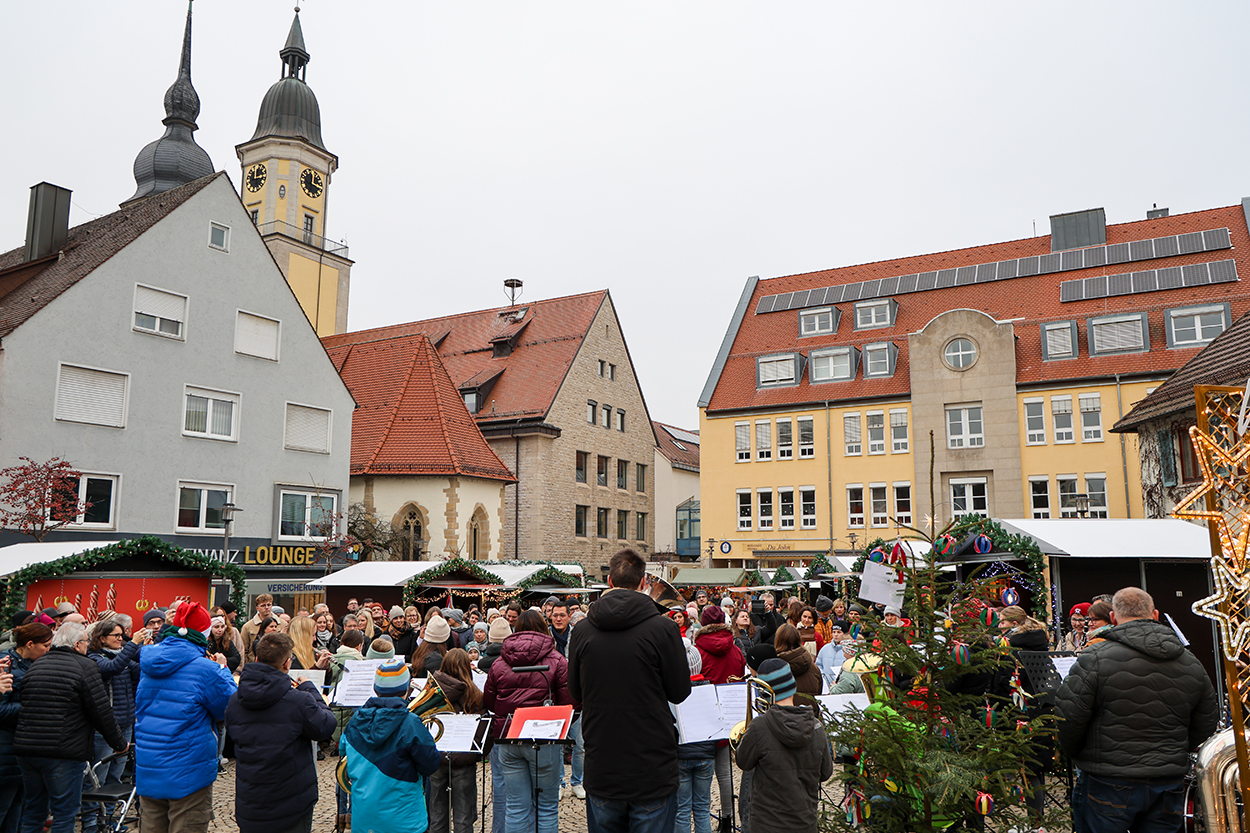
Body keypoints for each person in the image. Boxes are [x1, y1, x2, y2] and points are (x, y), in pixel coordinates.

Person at [1058, 587, 1217, 833]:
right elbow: (1206, 719)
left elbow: (1069, 717)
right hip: (1166, 777)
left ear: (1113, 618)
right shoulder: (1189, 662)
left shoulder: (1095, 658)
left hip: (1107, 778)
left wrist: (1084, 755)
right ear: (1154, 615)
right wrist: (1172, 749)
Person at [568, 548, 692, 833]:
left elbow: (575, 692)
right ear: (642, 582)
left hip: (603, 762)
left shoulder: (583, 631)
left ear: (609, 581)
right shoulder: (664, 629)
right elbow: (679, 691)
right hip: (651, 765)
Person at [14, 622, 127, 833]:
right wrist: (120, 744)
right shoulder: (85, 666)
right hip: (63, 751)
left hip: (27, 749)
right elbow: (101, 711)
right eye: (85, 641)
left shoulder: (36, 664)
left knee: (33, 811)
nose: (87, 645)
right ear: (77, 645)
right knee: (64, 812)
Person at [134, 602, 236, 833]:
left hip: (151, 762)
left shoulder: (149, 663)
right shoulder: (206, 669)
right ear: (203, 634)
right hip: (189, 765)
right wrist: (223, 670)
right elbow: (228, 707)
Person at [226, 632, 337, 833]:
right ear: (287, 664)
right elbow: (326, 726)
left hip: (251, 798)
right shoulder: (298, 701)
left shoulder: (235, 700)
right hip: (291, 802)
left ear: (257, 659)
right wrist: (312, 691)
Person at [483, 610, 572, 833]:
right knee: (547, 807)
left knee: (515, 807)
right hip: (544, 738)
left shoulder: (499, 663)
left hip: (509, 737)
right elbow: (569, 703)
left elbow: (490, 702)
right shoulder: (557, 660)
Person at [342, 657, 441, 833]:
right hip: (405, 821)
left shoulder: (355, 721)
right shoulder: (411, 723)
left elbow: (343, 756)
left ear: (375, 689)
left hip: (364, 820)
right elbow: (430, 764)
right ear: (406, 689)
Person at [734, 659, 833, 833]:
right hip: (805, 823)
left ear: (763, 691)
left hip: (766, 824)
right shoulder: (817, 727)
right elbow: (825, 773)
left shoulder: (759, 727)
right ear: (793, 686)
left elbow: (743, 762)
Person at [82, 619, 148, 833]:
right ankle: (91, 824)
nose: (121, 639)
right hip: (104, 726)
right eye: (116, 636)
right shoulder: (94, 658)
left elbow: (140, 672)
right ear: (102, 638)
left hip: (126, 723)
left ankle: (109, 819)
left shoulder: (123, 655)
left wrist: (143, 650)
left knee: (115, 776)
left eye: (122, 635)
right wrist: (132, 646)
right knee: (97, 777)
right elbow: (111, 668)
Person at [693, 606, 743, 833]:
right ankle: (727, 819)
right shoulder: (736, 650)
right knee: (724, 773)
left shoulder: (698, 651)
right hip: (728, 717)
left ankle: (699, 817)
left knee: (700, 772)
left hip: (703, 718)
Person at [0, 623, 52, 832]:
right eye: (45, 646)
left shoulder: (31, 664)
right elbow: (1, 711)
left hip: (24, 748)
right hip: (6, 749)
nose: (48, 650)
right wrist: (34, 707)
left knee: (17, 809)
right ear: (30, 644)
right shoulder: (6, 665)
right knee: (5, 807)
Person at [426, 649, 484, 833]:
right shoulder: (475, 694)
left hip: (436, 758)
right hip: (463, 759)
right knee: (464, 818)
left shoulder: (431, 691)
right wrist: (475, 756)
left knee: (436, 816)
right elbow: (483, 731)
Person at [675, 640, 716, 833]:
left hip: (681, 753)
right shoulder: (710, 689)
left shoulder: (672, 692)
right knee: (702, 808)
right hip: (706, 753)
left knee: (682, 810)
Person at [773, 624, 822, 703]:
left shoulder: (774, 667)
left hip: (784, 713)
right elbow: (818, 692)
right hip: (809, 712)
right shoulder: (813, 667)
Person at [239, 594, 274, 665]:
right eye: (263, 605)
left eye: (269, 605)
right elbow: (243, 649)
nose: (267, 607)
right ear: (257, 608)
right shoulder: (248, 626)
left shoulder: (282, 624)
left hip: (276, 664)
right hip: (254, 664)